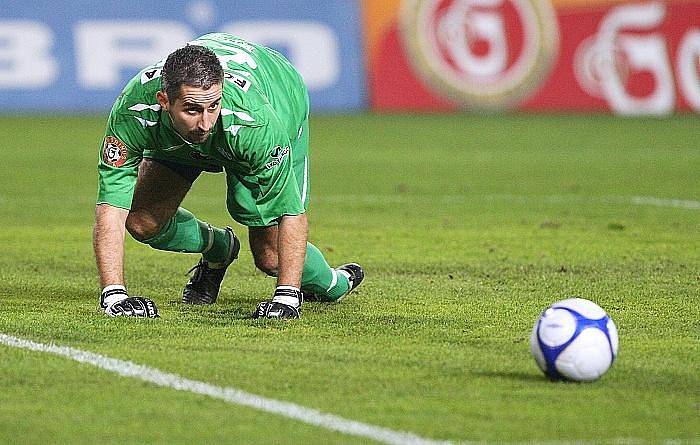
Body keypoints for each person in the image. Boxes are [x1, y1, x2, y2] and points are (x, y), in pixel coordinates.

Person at [93, 33, 364, 319]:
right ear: (163, 100)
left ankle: (335, 284)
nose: (205, 122)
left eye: (213, 106)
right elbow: (111, 208)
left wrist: (287, 298)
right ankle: (219, 248)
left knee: (270, 255)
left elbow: (290, 213)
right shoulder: (133, 112)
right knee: (142, 222)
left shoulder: (255, 124)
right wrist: (114, 295)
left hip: (279, 95)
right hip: (180, 133)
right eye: (192, 109)